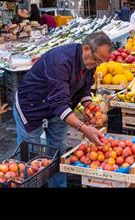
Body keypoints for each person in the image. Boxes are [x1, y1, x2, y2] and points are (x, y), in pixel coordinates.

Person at [14, 32, 112, 187]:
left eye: (100, 62)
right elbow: (58, 104)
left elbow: (85, 87)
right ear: (86, 48)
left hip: (59, 108)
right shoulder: (61, 61)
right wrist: (83, 128)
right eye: (97, 60)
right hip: (32, 106)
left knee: (58, 152)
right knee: (30, 159)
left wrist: (88, 105)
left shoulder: (89, 62)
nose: (97, 64)